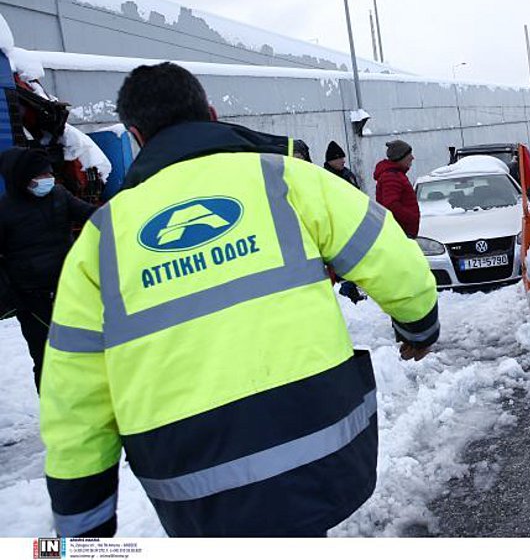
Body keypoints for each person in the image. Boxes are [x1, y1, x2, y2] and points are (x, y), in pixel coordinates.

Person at [39, 62, 439, 538]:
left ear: (134, 136)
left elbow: (74, 399)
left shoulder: (99, 240)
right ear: (210, 112)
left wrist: (82, 528)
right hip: (320, 445)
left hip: (195, 488)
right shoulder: (286, 180)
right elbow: (393, 257)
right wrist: (419, 328)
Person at [0, 147, 95, 392]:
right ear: (22, 179)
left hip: (69, 288)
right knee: (46, 357)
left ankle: (89, 402)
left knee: (84, 350)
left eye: (48, 174)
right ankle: (56, 415)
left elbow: (91, 216)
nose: (47, 180)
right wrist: (12, 297)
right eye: (40, 176)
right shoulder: (4, 210)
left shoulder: (59, 195)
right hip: (32, 299)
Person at [373, 140, 419, 239]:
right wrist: (411, 218)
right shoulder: (391, 176)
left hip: (401, 231)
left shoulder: (396, 174)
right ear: (400, 157)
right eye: (409, 155)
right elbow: (391, 205)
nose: (412, 158)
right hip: (400, 232)